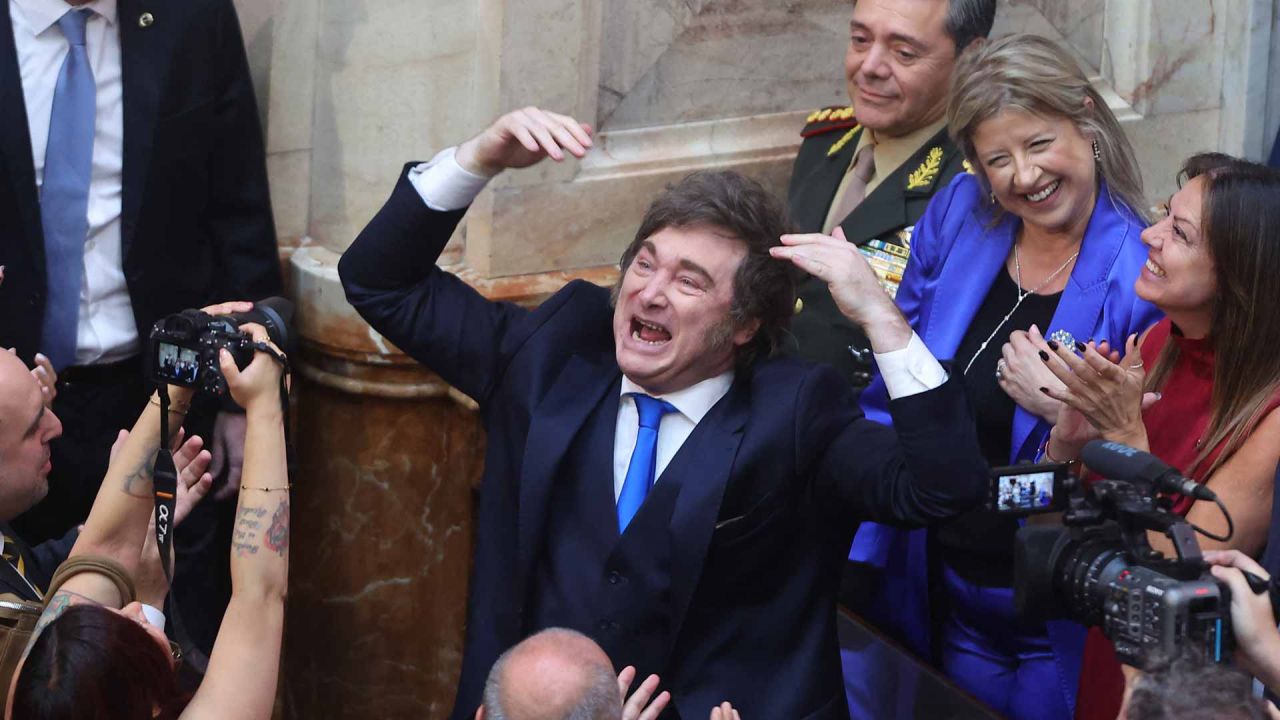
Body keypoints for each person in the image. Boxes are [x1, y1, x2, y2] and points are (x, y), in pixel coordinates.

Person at [339, 106, 988, 719]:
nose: (649, 292)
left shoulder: (795, 412)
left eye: (688, 281)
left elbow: (941, 489)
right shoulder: (555, 353)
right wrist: (480, 158)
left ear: (744, 325)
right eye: (643, 265)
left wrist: (881, 316)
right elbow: (381, 281)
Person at [848, 34, 1161, 719]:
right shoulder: (961, 213)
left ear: (1085, 119)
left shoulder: (1140, 273)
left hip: (1054, 608)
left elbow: (1151, 465)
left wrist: (1064, 416)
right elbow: (891, 378)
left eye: (1039, 144)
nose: (1023, 176)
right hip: (932, 575)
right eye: (998, 158)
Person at [1, 0, 282, 654]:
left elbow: (238, 208)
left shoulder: (192, 15)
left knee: (173, 621)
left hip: (162, 390)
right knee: (34, 636)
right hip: (16, 406)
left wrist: (238, 399)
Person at [1040, 154, 1280, 719]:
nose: (1149, 235)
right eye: (1164, 216)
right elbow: (1068, 527)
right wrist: (1070, 444)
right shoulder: (1156, 342)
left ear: (1238, 274)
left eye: (1180, 233)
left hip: (1185, 688)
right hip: (1111, 642)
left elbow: (1182, 569)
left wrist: (1124, 433)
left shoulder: (1270, 415)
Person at [8, 303, 290, 720]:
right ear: (149, 702)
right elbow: (259, 597)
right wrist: (267, 401)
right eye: (133, 628)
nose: (138, 609)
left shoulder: (27, 700)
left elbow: (103, 544)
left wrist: (178, 379)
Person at [787, 0, 996, 391]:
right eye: (860, 40)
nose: (870, 67)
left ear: (971, 57)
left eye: (903, 53)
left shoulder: (971, 189)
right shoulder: (825, 140)